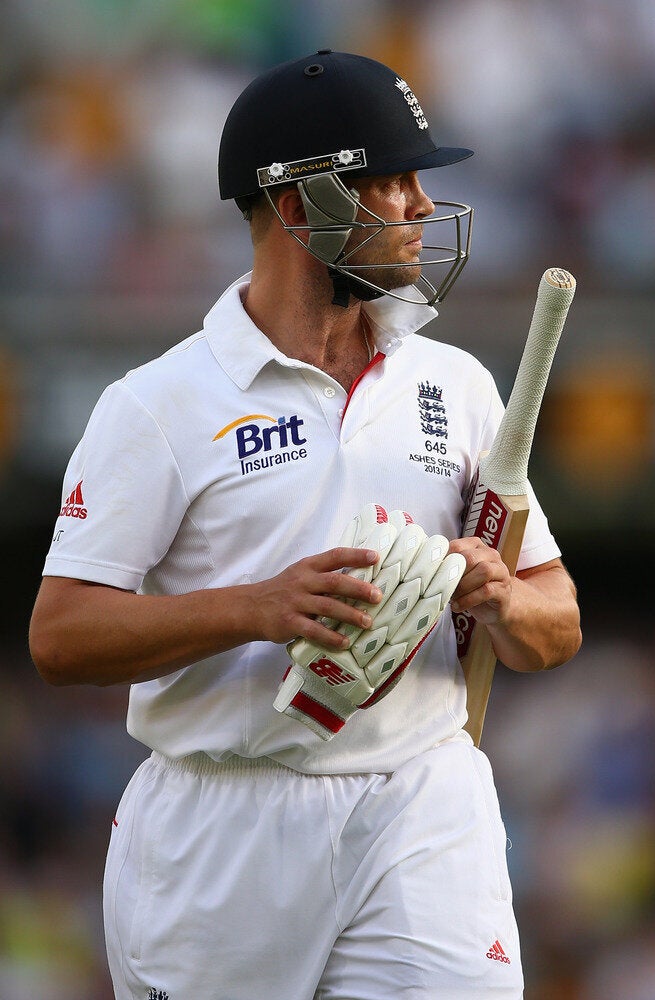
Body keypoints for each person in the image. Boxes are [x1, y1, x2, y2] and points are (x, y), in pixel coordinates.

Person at [29, 50, 581, 1000]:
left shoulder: (453, 384)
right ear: (297, 206)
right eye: (389, 180)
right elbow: (61, 637)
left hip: (421, 801)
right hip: (223, 824)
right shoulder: (158, 405)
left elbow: (555, 624)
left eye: (419, 182)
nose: (416, 207)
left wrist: (499, 599)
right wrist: (258, 609)